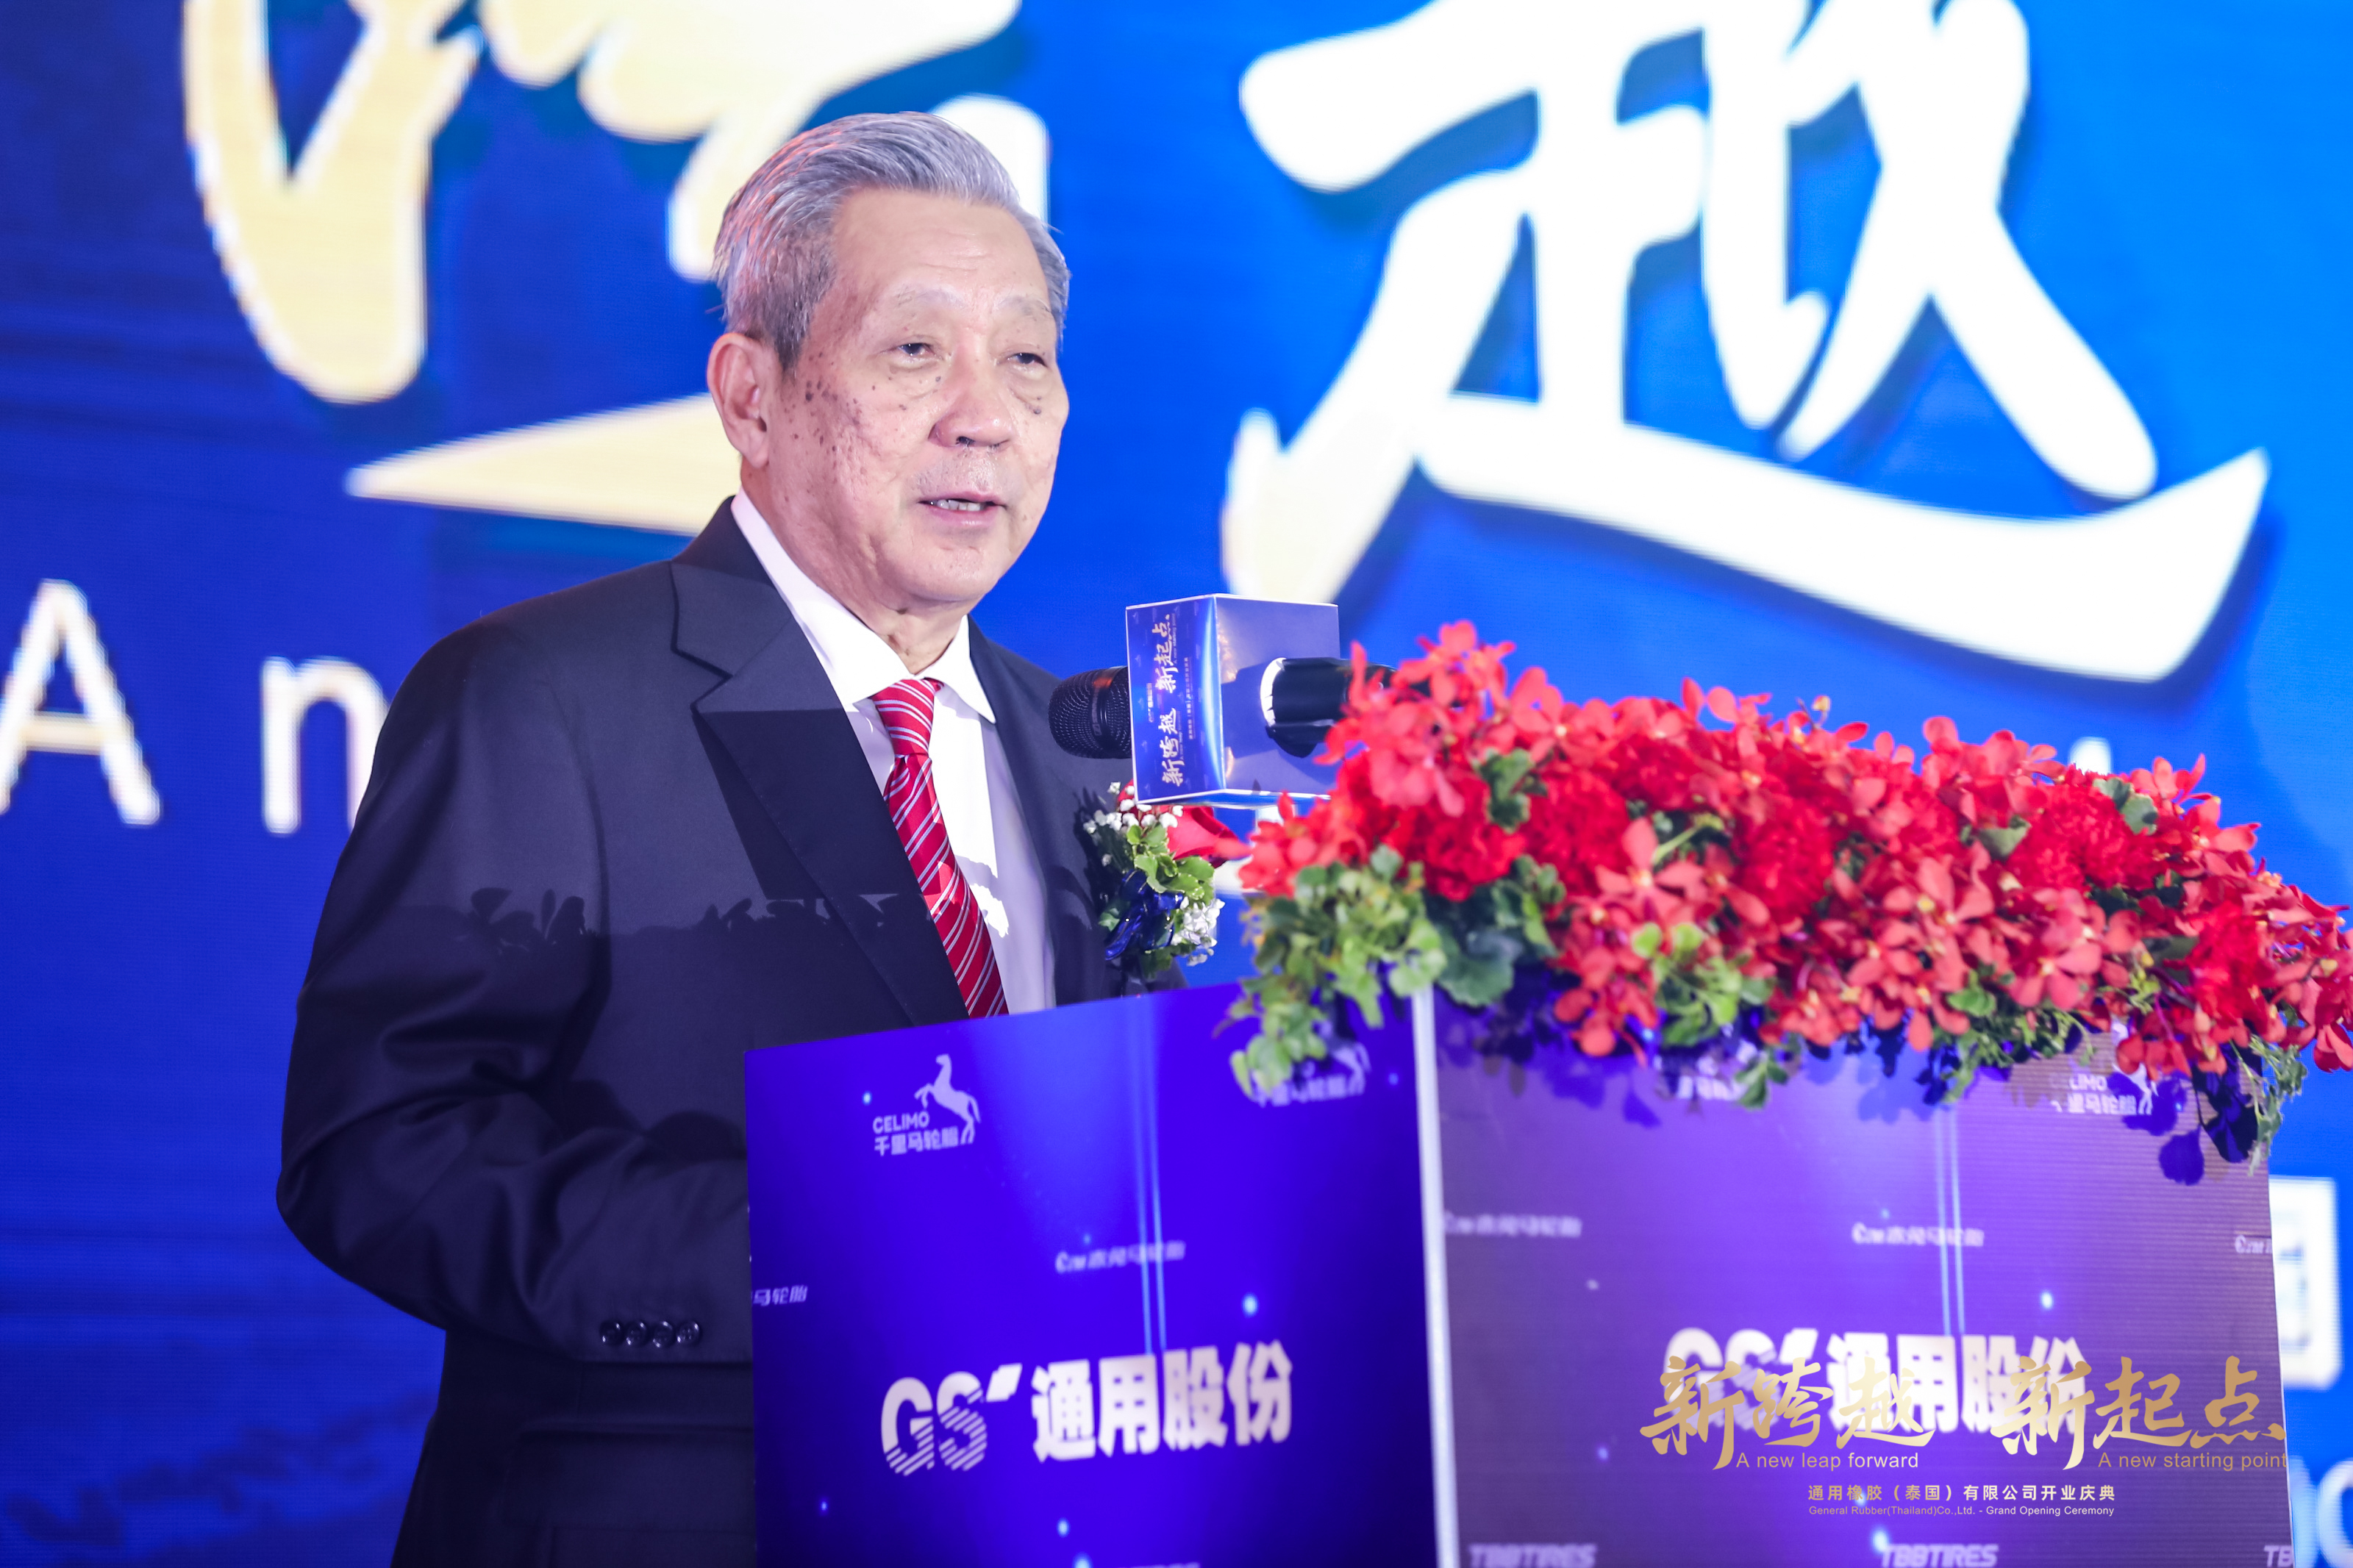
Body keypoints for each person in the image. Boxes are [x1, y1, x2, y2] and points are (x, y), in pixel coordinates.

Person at [277, 112, 1130, 1566]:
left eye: (1027, 362)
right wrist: (804, 1249)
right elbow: (382, 1147)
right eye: (914, 350)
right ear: (751, 393)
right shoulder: (543, 694)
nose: (984, 415)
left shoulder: (1081, 752)